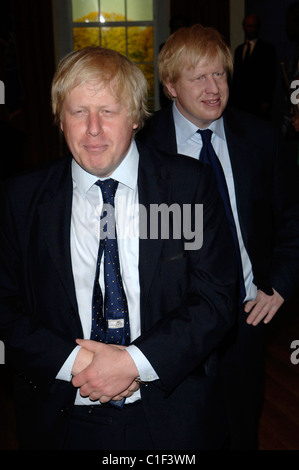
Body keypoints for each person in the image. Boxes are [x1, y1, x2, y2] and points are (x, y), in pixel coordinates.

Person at [0, 46, 238, 450]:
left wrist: (132, 363)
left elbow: (214, 298)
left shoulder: (186, 188)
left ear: (135, 117)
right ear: (60, 118)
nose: (93, 129)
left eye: (108, 111)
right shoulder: (21, 198)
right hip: (61, 414)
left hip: (169, 410)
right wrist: (81, 366)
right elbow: (5, 305)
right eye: (79, 112)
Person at [136, 24, 299, 450]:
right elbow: (149, 244)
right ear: (170, 85)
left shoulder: (260, 138)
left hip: (248, 319)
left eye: (220, 75)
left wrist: (280, 284)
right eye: (198, 77)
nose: (214, 89)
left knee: (242, 430)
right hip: (175, 328)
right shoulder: (143, 149)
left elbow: (292, 219)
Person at [230, 14, 276, 119]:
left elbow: (270, 76)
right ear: (244, 27)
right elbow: (236, 76)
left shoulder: (267, 49)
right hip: (240, 100)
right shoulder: (239, 50)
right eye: (249, 26)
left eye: (254, 26)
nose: (252, 29)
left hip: (258, 100)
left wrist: (266, 100)